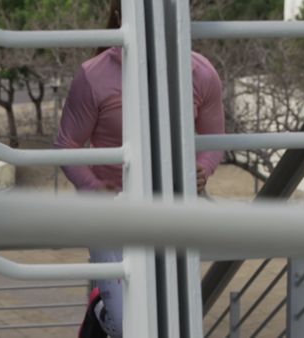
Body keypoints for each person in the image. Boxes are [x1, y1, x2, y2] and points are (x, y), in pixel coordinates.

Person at [53, 1, 225, 337]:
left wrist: (203, 169)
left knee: (171, 318)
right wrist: (94, 188)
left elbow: (215, 138)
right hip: (108, 213)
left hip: (169, 206)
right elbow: (65, 145)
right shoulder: (93, 75)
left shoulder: (201, 73)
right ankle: (99, 306)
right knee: (123, 325)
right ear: (120, 16)